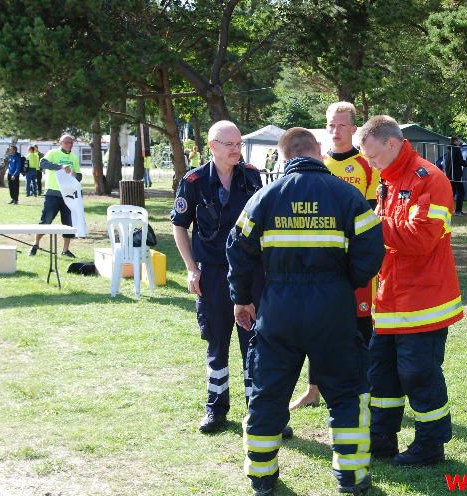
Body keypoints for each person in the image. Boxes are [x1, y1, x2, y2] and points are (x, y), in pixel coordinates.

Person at [227, 127, 384, 496]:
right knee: (346, 392)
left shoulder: (264, 197)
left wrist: (242, 297)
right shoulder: (346, 195)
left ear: (282, 157)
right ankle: (351, 475)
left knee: (268, 392)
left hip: (278, 307)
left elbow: (237, 249)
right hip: (333, 307)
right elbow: (372, 249)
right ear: (318, 150)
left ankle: (262, 477)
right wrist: (344, 280)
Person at [356, 115, 464, 467]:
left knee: (419, 374)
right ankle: (382, 438)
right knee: (382, 374)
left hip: (424, 301)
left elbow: (420, 238)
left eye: (371, 156)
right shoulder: (388, 179)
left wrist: (371, 223)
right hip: (389, 298)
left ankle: (431, 445)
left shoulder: (430, 178)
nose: (369, 164)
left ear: (391, 143)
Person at [171, 121, 279, 435]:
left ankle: (257, 411)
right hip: (213, 272)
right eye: (230, 144)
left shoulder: (251, 175)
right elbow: (180, 224)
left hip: (249, 272)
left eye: (239, 143)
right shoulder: (193, 181)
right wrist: (191, 268)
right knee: (216, 341)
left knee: (254, 343)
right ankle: (215, 408)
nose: (236, 149)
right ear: (212, 146)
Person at [290, 101, 380, 410]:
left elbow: (370, 216)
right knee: (318, 326)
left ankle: (365, 391)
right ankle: (313, 390)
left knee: (360, 327)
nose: (335, 130)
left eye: (342, 125)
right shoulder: (318, 163)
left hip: (354, 264)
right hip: (321, 264)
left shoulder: (367, 166)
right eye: (331, 124)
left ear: (354, 129)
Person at [27, 134, 82, 258]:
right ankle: (35, 244)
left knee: (68, 223)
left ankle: (65, 250)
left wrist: (74, 174)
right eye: (67, 142)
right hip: (52, 193)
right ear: (61, 143)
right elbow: (43, 163)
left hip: (68, 195)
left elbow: (79, 176)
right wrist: (60, 167)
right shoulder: (53, 153)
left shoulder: (74, 158)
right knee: (46, 220)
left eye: (71, 143)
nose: (70, 145)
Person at [445, 136, 467, 216]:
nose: (459, 142)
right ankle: (458, 211)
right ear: (455, 141)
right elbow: (460, 161)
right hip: (456, 175)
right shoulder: (456, 149)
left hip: (450, 175)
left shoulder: (449, 150)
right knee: (461, 192)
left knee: (452, 193)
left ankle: (447, 210)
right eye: (458, 141)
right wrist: (466, 164)